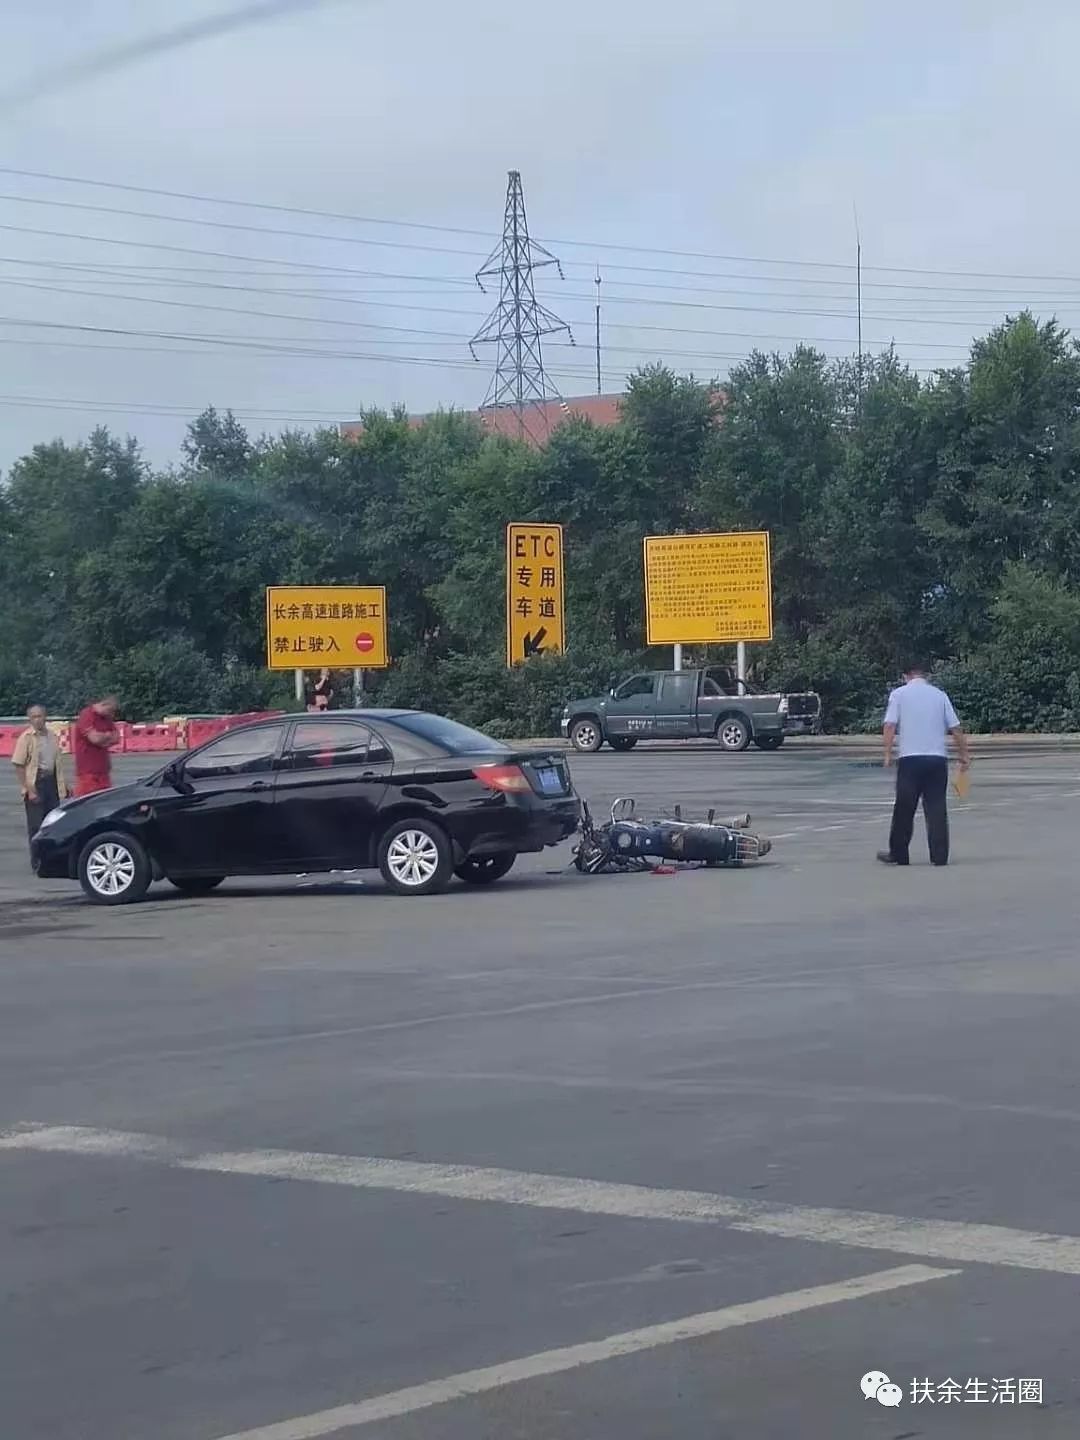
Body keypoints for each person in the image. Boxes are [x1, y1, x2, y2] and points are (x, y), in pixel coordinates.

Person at [878, 662, 970, 867]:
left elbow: (890, 724)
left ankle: (899, 854)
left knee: (904, 807)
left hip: (910, 759)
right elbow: (955, 728)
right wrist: (964, 755)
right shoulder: (939, 695)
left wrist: (887, 754)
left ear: (905, 676)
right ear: (924, 675)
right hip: (937, 760)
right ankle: (939, 856)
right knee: (936, 806)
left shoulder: (899, 694)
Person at [12, 705, 68, 847]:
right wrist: (29, 790)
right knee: (36, 827)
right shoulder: (26, 738)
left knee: (53, 823)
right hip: (36, 784)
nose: (37, 720)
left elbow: (57, 765)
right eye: (33, 717)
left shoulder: (52, 737)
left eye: (40, 716)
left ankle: (50, 859)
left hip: (51, 783)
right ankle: (37, 861)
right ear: (30, 719)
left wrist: (64, 786)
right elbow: (19, 765)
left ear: (45, 717)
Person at [72, 695, 120, 797]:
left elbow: (117, 738)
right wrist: (107, 736)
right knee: (87, 802)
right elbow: (95, 739)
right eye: (111, 710)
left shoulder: (106, 718)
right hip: (88, 772)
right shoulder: (87, 715)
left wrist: (102, 737)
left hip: (103, 770)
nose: (112, 714)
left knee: (104, 801)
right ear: (104, 704)